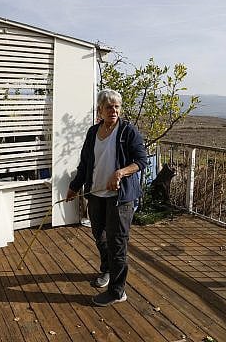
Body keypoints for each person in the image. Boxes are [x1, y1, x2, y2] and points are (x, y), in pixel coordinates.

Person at [66, 89, 147, 306]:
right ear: (100, 110)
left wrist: (120, 172)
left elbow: (141, 161)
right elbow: (85, 163)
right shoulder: (93, 132)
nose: (113, 110)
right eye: (109, 107)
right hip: (95, 194)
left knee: (117, 242)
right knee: (99, 235)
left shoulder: (128, 131)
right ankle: (107, 270)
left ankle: (118, 292)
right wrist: (74, 187)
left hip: (119, 198)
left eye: (117, 106)